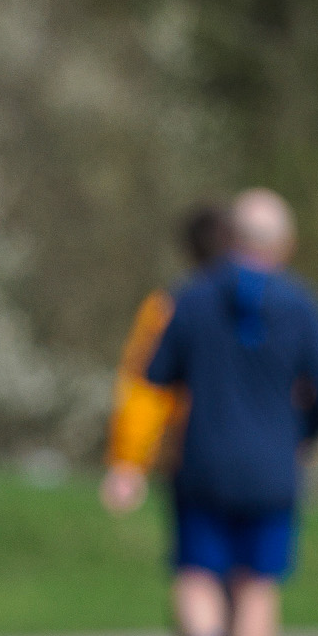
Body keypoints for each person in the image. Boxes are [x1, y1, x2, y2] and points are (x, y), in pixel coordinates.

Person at [143, 188, 318, 636]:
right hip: (274, 467)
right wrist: (304, 435)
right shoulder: (304, 304)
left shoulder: (190, 297)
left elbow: (156, 374)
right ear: (286, 244)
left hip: (202, 460)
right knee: (258, 584)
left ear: (231, 237)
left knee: (196, 574)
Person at [99, 204, 229, 517]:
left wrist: (128, 461)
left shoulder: (170, 308)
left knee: (197, 563)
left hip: (195, 454)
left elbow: (146, 387)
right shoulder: (285, 309)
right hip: (266, 464)